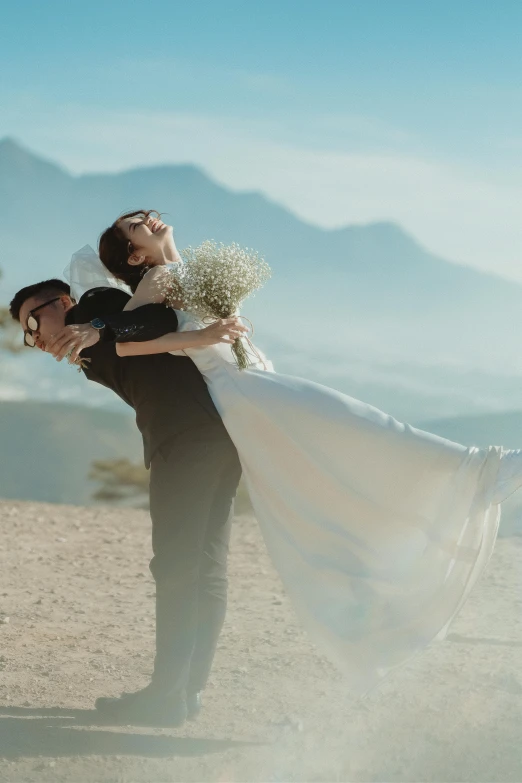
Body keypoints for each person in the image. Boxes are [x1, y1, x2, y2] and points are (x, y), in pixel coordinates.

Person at [65, 208, 522, 697]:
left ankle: (461, 482)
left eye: (148, 215)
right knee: (357, 425)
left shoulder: (186, 268)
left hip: (255, 377)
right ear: (135, 254)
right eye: (138, 226)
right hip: (241, 388)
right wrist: (115, 329)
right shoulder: (156, 279)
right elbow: (133, 340)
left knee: (339, 449)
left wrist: (219, 324)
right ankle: (481, 469)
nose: (150, 220)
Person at [9, 267, 247, 726]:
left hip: (186, 442)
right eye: (26, 336)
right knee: (204, 567)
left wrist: (96, 326)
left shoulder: (94, 306)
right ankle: (186, 693)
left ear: (60, 303)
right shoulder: (86, 346)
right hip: (214, 438)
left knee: (178, 567)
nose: (34, 340)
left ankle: (165, 696)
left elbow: (159, 322)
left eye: (33, 324)